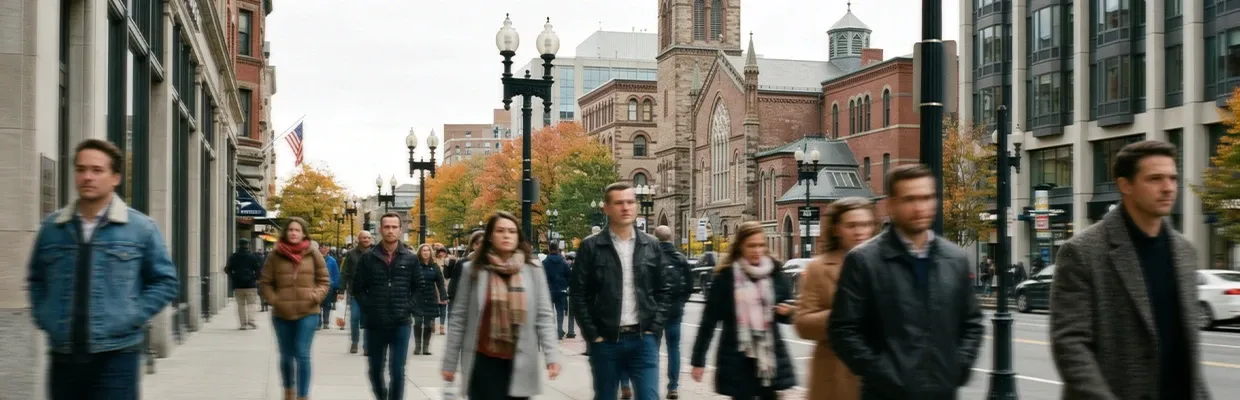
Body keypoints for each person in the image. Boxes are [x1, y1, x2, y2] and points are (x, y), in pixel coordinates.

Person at [1049, 140, 1211, 399]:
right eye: (1155, 179)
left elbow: (1185, 349)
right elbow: (1070, 345)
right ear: (1126, 185)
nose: (1168, 188)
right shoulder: (1082, 252)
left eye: (1173, 178)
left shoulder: (1185, 252)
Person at [27, 138, 180, 400]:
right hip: (63, 357)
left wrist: (132, 315)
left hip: (117, 357)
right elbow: (36, 280)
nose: (87, 177)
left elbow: (165, 281)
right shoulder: (53, 227)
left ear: (115, 178)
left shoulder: (140, 228)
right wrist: (46, 316)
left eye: (97, 170)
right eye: (81, 169)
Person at [828, 164, 985, 399]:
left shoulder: (955, 259)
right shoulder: (864, 261)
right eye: (910, 199)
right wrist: (882, 374)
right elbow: (843, 330)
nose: (920, 207)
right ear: (891, 205)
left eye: (927, 197)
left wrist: (957, 368)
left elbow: (972, 323)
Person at [440, 211, 562, 400]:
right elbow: (459, 318)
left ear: (518, 237)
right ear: (490, 236)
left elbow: (544, 316)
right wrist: (450, 362)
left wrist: (552, 356)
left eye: (512, 232)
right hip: (483, 361)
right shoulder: (472, 270)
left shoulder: (533, 270)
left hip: (520, 362)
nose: (506, 235)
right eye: (501, 231)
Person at [571, 182, 671, 400]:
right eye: (618, 203)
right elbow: (578, 294)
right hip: (605, 342)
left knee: (649, 396)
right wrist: (593, 335)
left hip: (643, 339)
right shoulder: (591, 247)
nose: (626, 207)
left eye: (630, 202)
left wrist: (654, 328)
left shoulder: (651, 245)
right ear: (606, 208)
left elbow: (664, 290)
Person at [689, 222, 797, 399]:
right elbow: (708, 323)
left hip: (769, 360)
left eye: (761, 245)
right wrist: (698, 361)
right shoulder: (725, 278)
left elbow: (787, 313)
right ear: (740, 247)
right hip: (737, 361)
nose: (757, 250)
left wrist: (788, 312)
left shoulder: (775, 274)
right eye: (751, 245)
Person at [793, 197, 877, 400]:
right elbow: (803, 323)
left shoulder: (887, 265)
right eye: (852, 225)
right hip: (835, 378)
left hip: (880, 377)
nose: (860, 232)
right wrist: (844, 313)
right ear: (837, 229)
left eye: (866, 224)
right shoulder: (819, 268)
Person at [352, 213, 424, 400]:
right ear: (381, 229)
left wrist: (409, 307)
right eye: (387, 227)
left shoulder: (410, 258)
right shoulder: (368, 257)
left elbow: (419, 287)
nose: (390, 230)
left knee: (398, 370)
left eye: (394, 227)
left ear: (400, 230)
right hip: (375, 323)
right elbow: (358, 288)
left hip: (401, 322)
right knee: (375, 369)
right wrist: (370, 307)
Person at [259, 217, 332, 400]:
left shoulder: (313, 253)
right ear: (285, 232)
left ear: (303, 233)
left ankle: (303, 395)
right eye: (290, 230)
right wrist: (275, 300)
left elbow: (324, 281)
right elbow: (265, 283)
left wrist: (314, 296)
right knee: (285, 355)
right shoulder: (275, 255)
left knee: (302, 353)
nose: (293, 233)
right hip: (281, 313)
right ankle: (289, 391)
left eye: (297, 230)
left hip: (308, 312)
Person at [653, 225, 693, 400]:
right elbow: (690, 285)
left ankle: (651, 384)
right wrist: (681, 301)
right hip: (675, 310)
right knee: (674, 348)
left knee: (652, 349)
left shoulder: (651, 257)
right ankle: (673, 386)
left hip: (655, 311)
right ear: (670, 238)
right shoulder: (680, 258)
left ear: (655, 239)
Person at [340, 231, 373, 354]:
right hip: (356, 292)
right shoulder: (351, 254)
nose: (366, 239)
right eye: (364, 237)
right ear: (359, 239)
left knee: (369, 320)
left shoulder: (376, 253)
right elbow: (344, 273)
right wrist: (341, 290)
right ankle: (355, 341)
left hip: (372, 292)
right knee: (354, 318)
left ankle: (367, 346)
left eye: (368, 238)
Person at [413, 243, 448, 356]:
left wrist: (443, 296)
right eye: (423, 250)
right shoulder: (415, 265)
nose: (426, 252)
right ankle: (418, 346)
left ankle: (425, 347)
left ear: (430, 252)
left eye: (428, 250)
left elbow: (440, 282)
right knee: (418, 322)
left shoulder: (435, 266)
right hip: (417, 297)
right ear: (420, 252)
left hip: (430, 297)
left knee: (428, 324)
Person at [226, 238, 263, 330]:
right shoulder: (252, 256)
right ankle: (251, 320)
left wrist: (233, 277)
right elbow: (258, 269)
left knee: (241, 305)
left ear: (239, 245)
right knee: (251, 304)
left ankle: (243, 324)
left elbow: (227, 269)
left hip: (238, 285)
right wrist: (256, 278)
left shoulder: (234, 256)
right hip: (250, 284)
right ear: (248, 245)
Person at [542, 242, 571, 340]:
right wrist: (565, 285)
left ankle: (550, 332)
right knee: (560, 312)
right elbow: (569, 275)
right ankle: (559, 330)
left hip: (548, 291)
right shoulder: (563, 262)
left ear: (549, 249)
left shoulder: (545, 262)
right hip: (561, 290)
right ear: (558, 249)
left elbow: (542, 277)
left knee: (549, 312)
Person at [320, 245, 341, 330]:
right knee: (317, 304)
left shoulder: (332, 260)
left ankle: (326, 322)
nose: (323, 249)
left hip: (329, 285)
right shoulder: (315, 259)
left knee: (327, 305)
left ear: (328, 249)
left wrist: (335, 285)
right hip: (317, 285)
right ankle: (318, 323)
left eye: (325, 247)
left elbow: (336, 273)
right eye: (322, 247)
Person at [434, 245, 452, 334]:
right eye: (440, 252)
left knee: (443, 307)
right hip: (435, 286)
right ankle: (432, 324)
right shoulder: (434, 261)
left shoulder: (448, 261)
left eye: (443, 252)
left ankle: (442, 327)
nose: (441, 254)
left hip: (445, 286)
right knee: (433, 306)